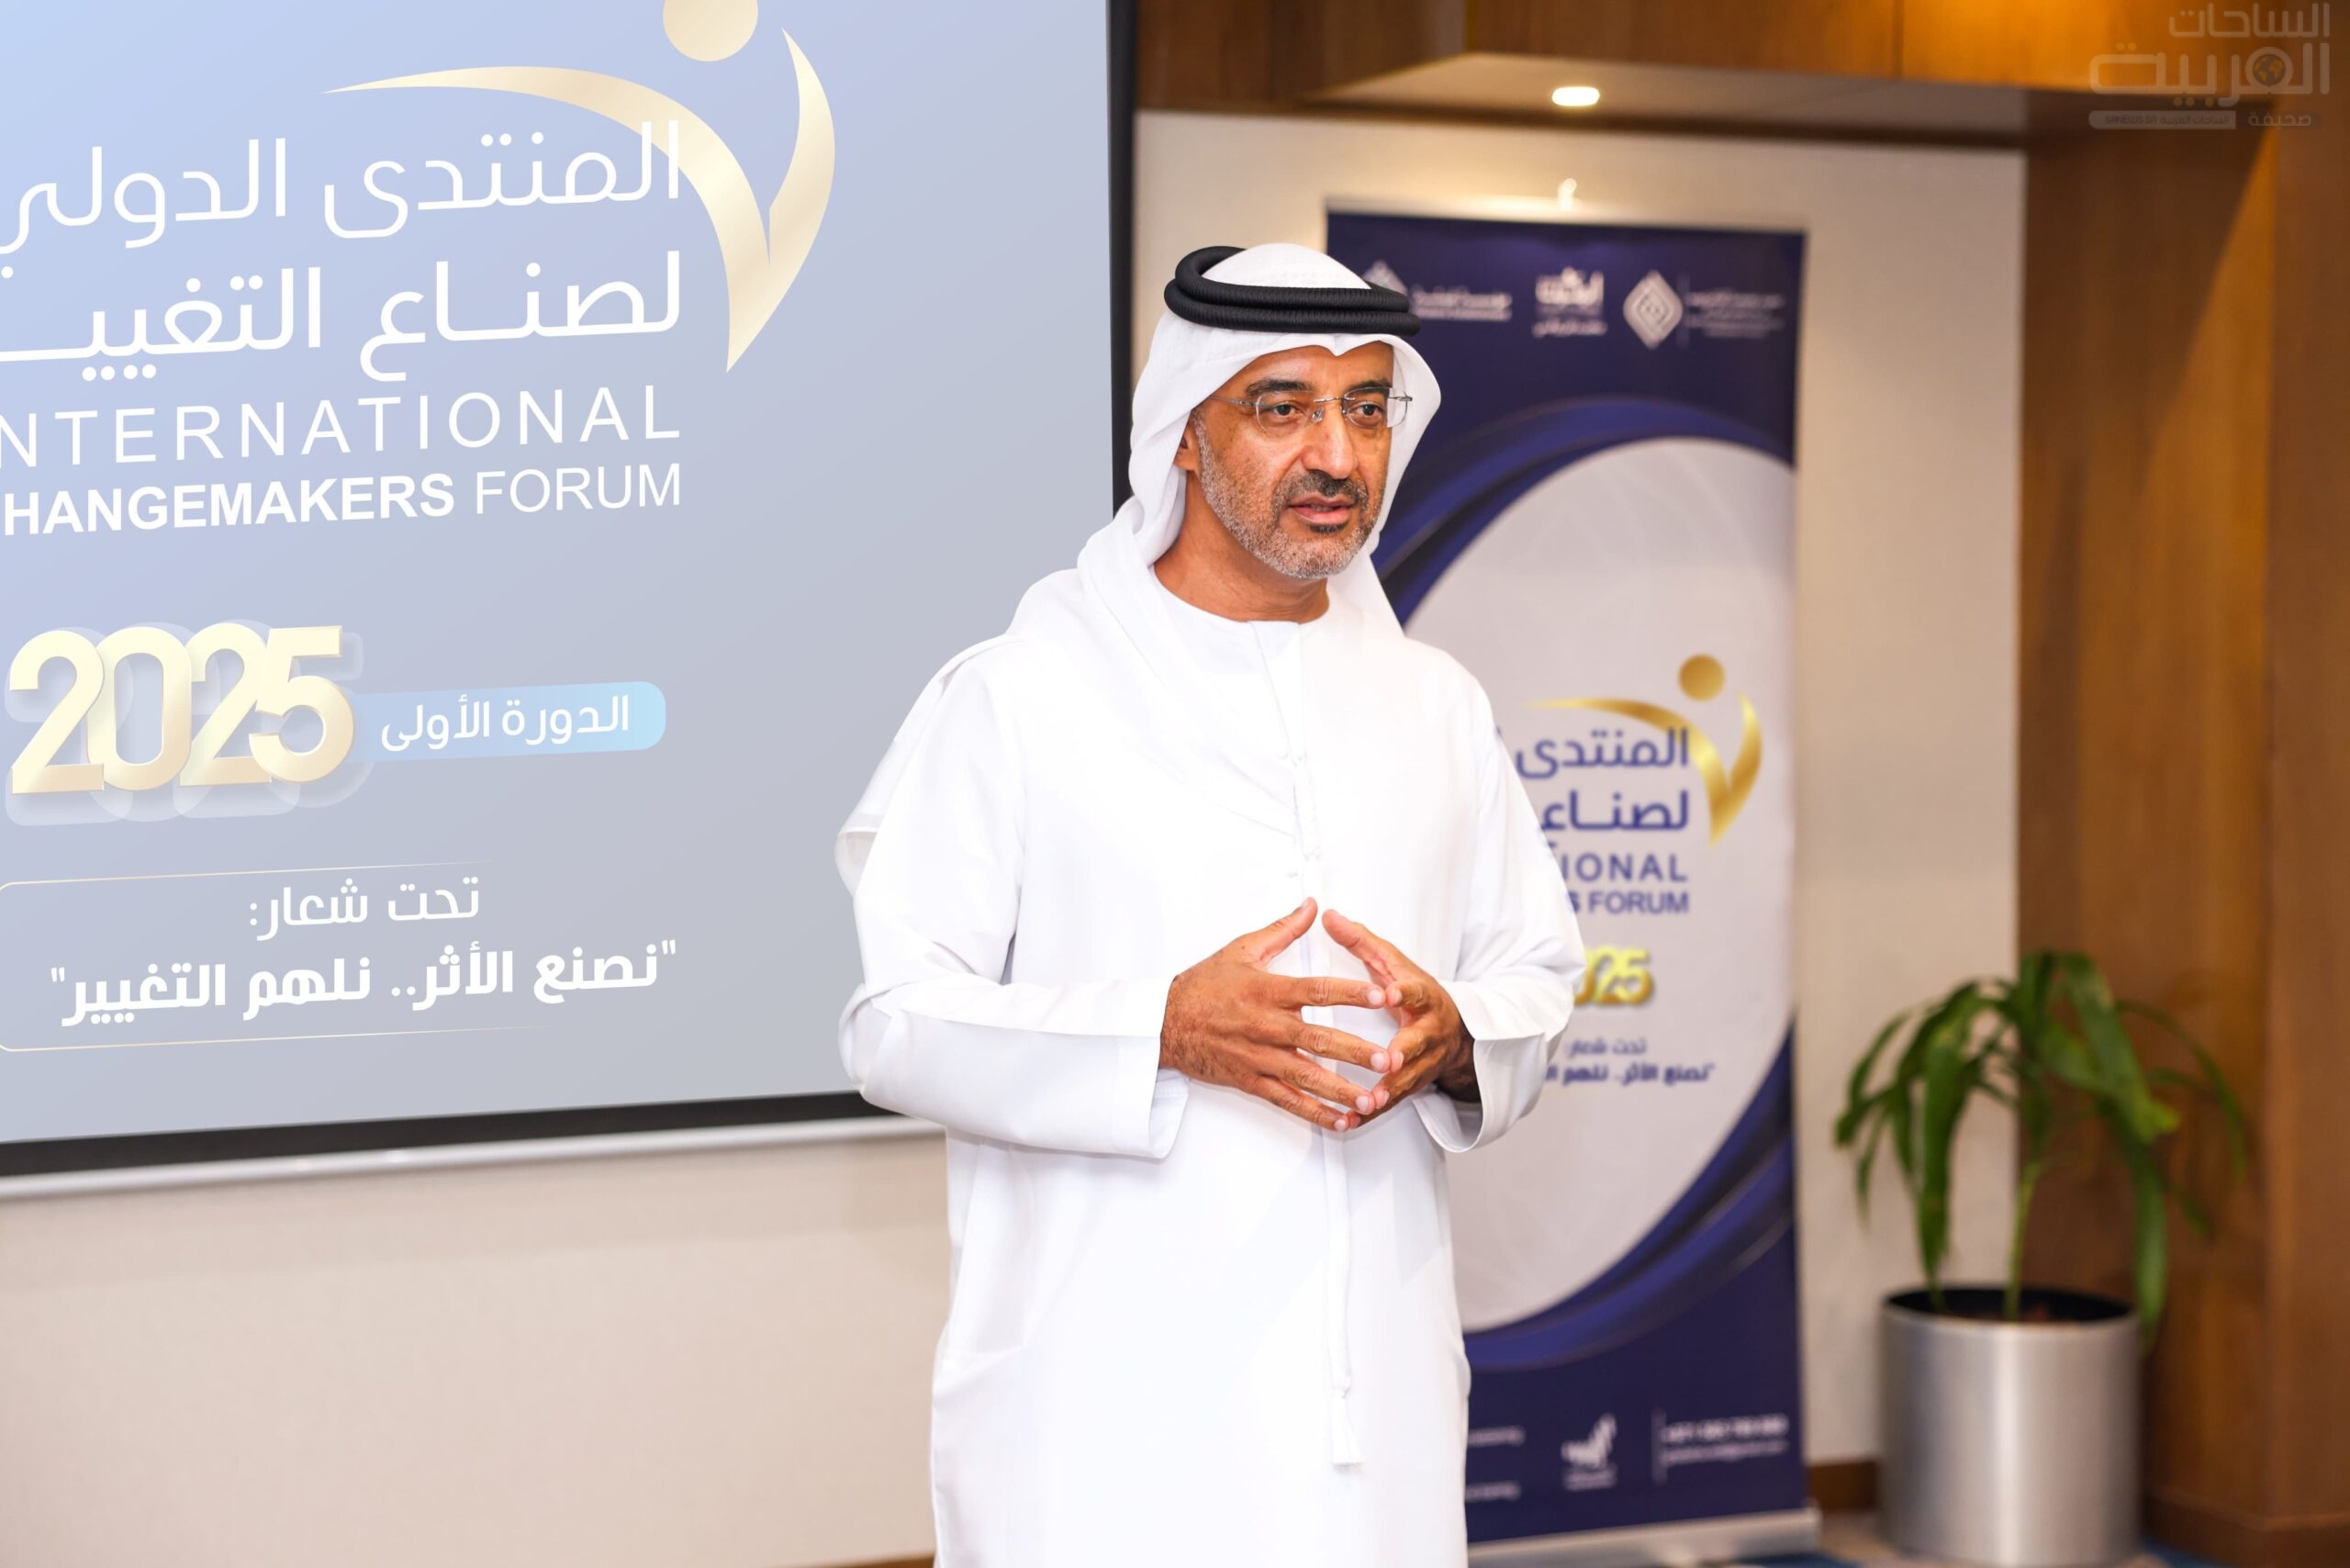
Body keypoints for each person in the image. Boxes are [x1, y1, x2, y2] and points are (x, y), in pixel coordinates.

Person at [834, 242, 1585, 1566]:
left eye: (1366, 409)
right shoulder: (1022, 695)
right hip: (1106, 1411)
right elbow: (894, 1024)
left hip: (1376, 1410)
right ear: (1185, 430)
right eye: (1282, 407)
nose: (1338, 456)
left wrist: (1460, 1036)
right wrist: (1165, 1030)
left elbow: (1534, 967)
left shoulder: (1434, 705)